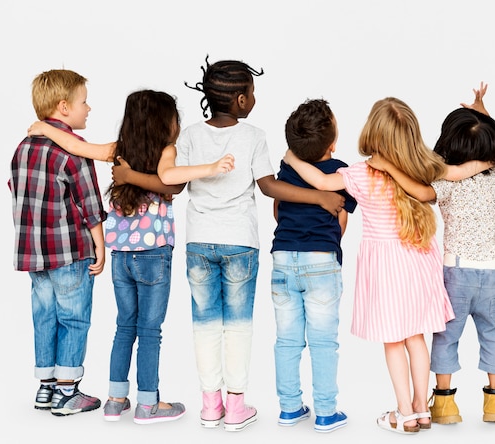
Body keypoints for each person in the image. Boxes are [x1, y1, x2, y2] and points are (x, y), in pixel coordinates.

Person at [112, 56, 345, 432]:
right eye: (251, 92)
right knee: (238, 326)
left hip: (199, 243)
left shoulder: (188, 134)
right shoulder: (253, 136)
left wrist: (130, 175)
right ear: (240, 100)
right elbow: (269, 187)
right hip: (240, 243)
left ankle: (210, 405)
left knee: (204, 324)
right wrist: (318, 197)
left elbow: (172, 184)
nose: (254, 98)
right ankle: (236, 408)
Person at [284, 96, 489, 434]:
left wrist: (291, 156)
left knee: (393, 340)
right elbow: (461, 171)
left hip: (385, 265)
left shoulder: (362, 173)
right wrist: (490, 161)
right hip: (419, 259)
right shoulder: (422, 166)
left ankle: (405, 413)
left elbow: (320, 183)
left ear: (373, 134)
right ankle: (423, 410)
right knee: (415, 338)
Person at [28, 89, 235, 424]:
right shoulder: (167, 151)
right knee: (150, 330)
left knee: (124, 327)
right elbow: (169, 180)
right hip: (153, 255)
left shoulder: (118, 151)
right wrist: (211, 167)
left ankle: (114, 400)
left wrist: (46, 128)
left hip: (121, 256)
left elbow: (78, 147)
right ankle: (148, 404)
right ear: (165, 123)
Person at [367, 83, 495, 425]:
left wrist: (388, 167)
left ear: (447, 143)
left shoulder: (445, 183)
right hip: (493, 273)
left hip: (456, 272)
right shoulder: (494, 170)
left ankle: (444, 405)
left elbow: (418, 190)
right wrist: (481, 111)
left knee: (446, 338)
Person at [9, 69, 106, 416]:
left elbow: (16, 189)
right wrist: (100, 246)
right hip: (69, 251)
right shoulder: (74, 150)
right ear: (64, 107)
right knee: (74, 318)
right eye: (83, 102)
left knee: (44, 317)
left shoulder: (23, 147)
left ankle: (45, 388)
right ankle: (68, 392)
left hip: (33, 254)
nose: (89, 108)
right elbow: (89, 204)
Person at [270, 99, 357, 433]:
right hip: (321, 260)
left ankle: (290, 408)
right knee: (323, 342)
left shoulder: (287, 170)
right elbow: (341, 222)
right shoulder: (340, 170)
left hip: (282, 257)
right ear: (332, 144)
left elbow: (278, 210)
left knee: (287, 340)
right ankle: (325, 412)